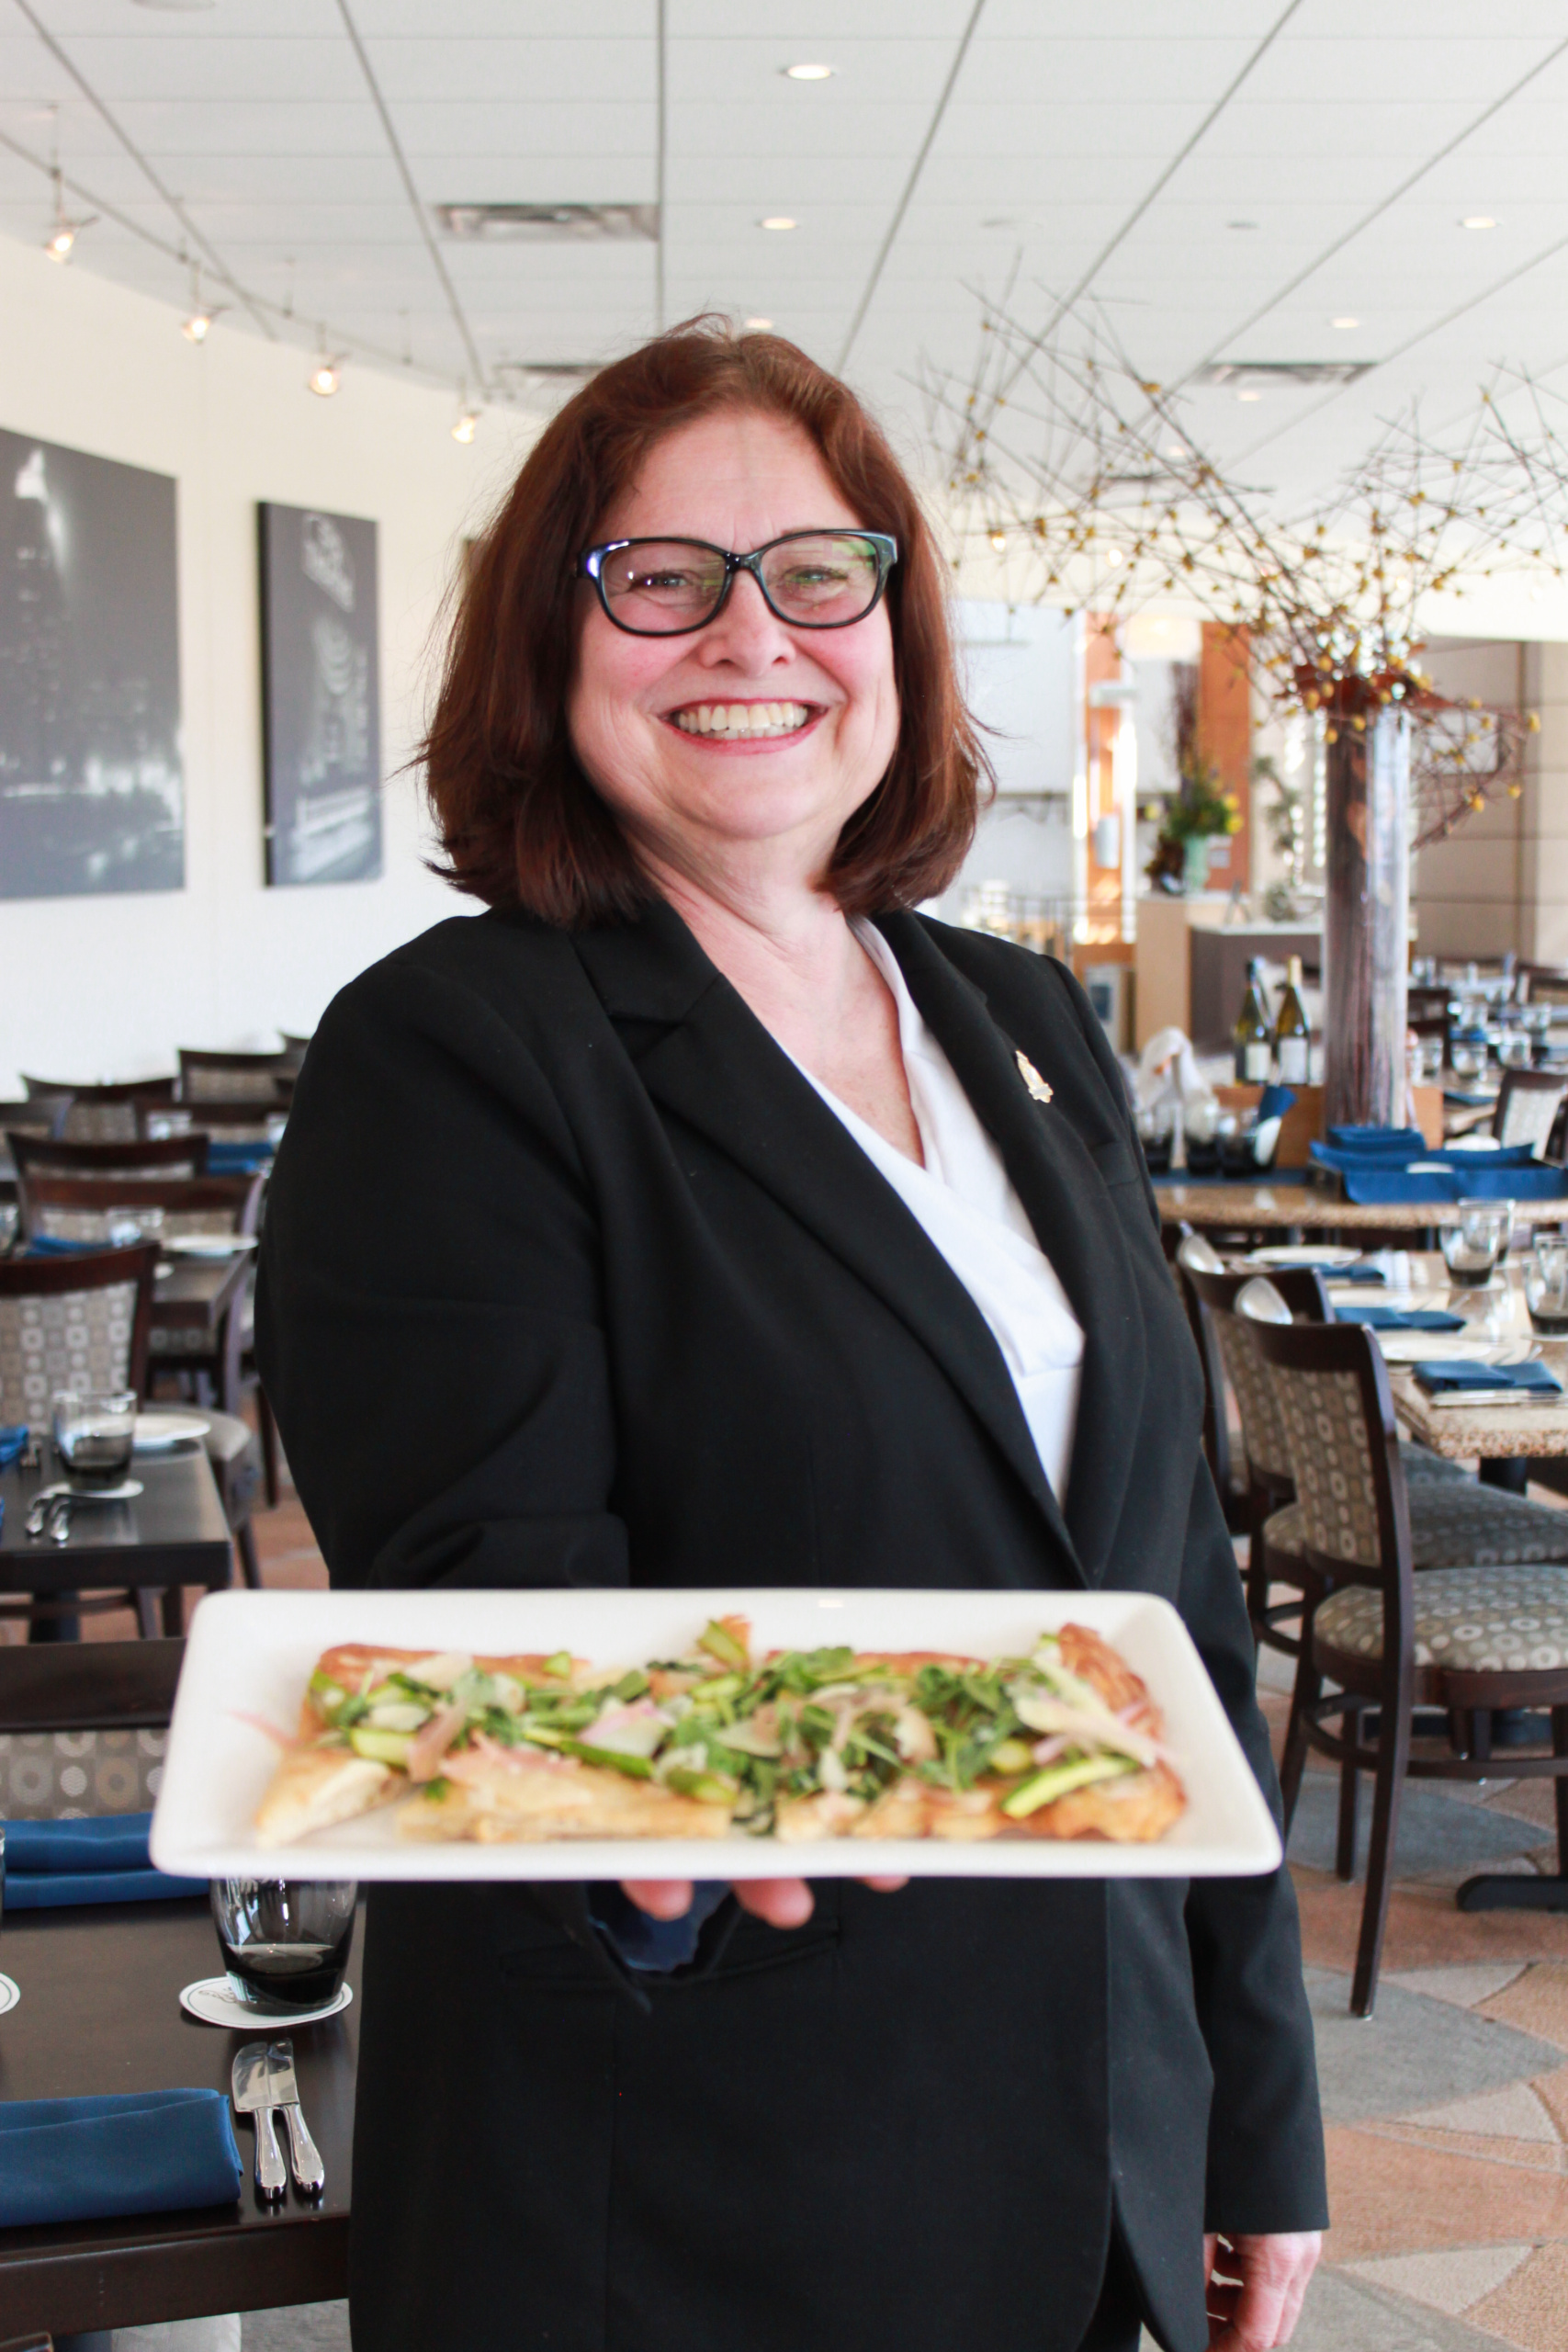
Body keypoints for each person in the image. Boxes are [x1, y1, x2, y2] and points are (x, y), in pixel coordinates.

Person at [257, 321, 1325, 2352]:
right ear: (548, 650)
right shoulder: (457, 1055)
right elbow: (497, 1649)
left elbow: (1171, 1607)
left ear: (898, 627)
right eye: (657, 578)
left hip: (1100, 2158)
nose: (750, 634)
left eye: (817, 572)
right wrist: (645, 1813)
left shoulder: (1017, 1020)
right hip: (692, 2195)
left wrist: (1252, 2107)